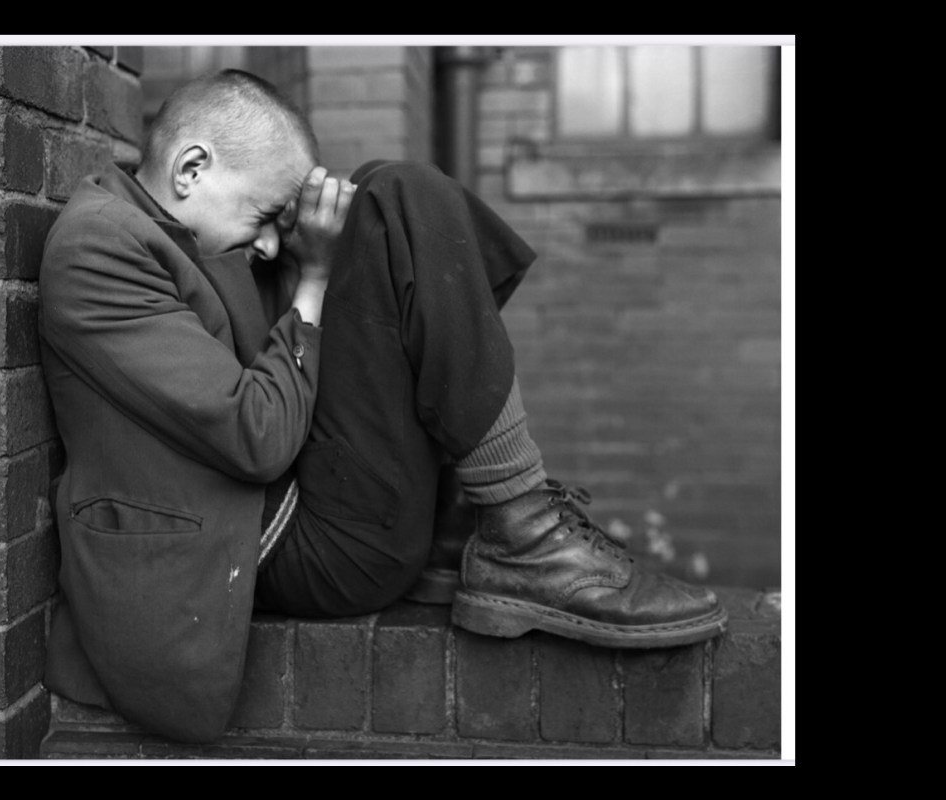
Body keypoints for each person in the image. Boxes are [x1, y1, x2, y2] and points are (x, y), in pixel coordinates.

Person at [38, 69, 727, 743]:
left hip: (306, 502)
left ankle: (500, 521)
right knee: (398, 196)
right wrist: (313, 279)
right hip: (264, 548)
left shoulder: (184, 227)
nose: (271, 242)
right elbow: (257, 434)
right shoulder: (102, 246)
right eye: (266, 216)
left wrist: (328, 248)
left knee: (385, 195)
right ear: (191, 169)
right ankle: (523, 533)